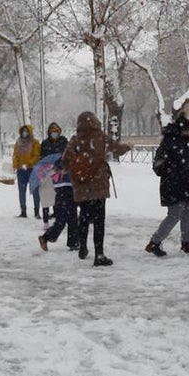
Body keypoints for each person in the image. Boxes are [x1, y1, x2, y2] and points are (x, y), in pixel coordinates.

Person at [62, 111, 131, 266]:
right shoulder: (100, 137)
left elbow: (65, 160)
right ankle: (99, 254)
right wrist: (127, 146)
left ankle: (82, 247)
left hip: (82, 185)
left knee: (84, 217)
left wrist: (77, 169)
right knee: (99, 220)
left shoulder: (75, 139)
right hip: (98, 185)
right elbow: (116, 149)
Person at [146, 113, 189, 257]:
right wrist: (173, 171)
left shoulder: (181, 143)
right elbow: (158, 167)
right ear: (180, 130)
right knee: (175, 214)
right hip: (173, 185)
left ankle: (187, 242)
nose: (188, 133)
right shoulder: (168, 144)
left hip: (184, 184)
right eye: (187, 130)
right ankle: (154, 242)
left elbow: (186, 167)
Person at [36, 157, 79, 252]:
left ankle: (46, 237)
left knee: (60, 221)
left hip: (59, 196)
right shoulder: (70, 168)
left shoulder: (57, 170)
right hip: (68, 193)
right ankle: (73, 243)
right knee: (72, 220)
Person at [38, 122, 68, 223]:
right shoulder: (45, 143)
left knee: (59, 195)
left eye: (56, 131)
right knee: (46, 195)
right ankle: (46, 218)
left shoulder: (63, 141)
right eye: (52, 131)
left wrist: (60, 166)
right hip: (48, 172)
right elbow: (42, 157)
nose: (54, 133)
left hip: (60, 172)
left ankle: (58, 215)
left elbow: (67, 155)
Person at [12, 124, 41, 218]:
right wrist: (16, 165)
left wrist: (28, 164)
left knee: (35, 191)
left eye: (26, 131)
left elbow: (36, 156)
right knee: (21, 191)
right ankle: (23, 210)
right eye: (23, 131)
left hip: (32, 170)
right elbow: (15, 155)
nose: (25, 133)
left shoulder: (35, 143)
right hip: (21, 170)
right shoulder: (18, 143)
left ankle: (36, 211)